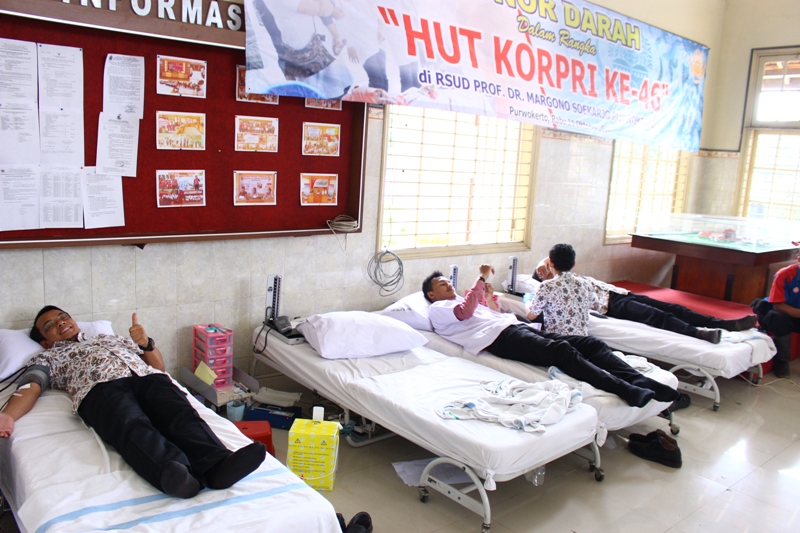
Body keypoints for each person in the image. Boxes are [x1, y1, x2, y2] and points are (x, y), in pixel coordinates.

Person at [0, 306, 266, 499]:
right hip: (100, 388)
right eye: (50, 325)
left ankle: (217, 465)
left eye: (63, 317)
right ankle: (173, 474)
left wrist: (146, 344)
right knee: (131, 424)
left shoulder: (109, 338)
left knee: (181, 415)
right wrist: (8, 415)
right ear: (45, 342)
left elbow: (159, 367)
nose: (60, 323)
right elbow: (31, 386)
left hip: (147, 378)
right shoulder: (48, 358)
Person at [423, 265, 683, 408]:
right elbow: (465, 312)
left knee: (591, 344)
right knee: (562, 352)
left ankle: (640, 380)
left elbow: (489, 313)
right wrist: (479, 279)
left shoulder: (459, 301)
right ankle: (626, 390)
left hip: (515, 328)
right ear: (432, 295)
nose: (449, 284)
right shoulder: (438, 309)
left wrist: (487, 297)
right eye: (442, 284)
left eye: (448, 281)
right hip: (500, 339)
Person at [530, 244, 758, 344]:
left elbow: (556, 259)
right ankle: (698, 333)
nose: (545, 268)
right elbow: (539, 280)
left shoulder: (573, 276)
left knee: (672, 308)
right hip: (612, 305)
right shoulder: (549, 286)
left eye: (547, 264)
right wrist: (541, 269)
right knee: (658, 316)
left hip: (618, 292)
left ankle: (722, 324)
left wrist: (544, 261)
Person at [750, 254, 800, 378]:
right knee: (780, 319)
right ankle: (782, 365)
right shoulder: (784, 274)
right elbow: (778, 306)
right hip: (778, 312)